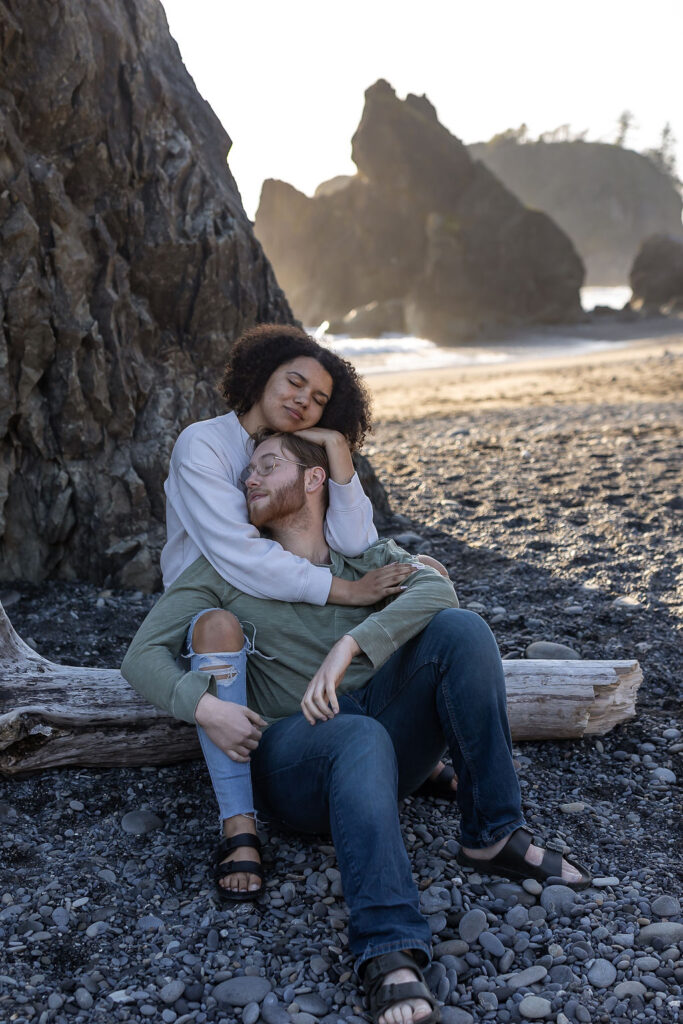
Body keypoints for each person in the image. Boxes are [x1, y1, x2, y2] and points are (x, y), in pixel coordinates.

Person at [123, 432, 591, 1024]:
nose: (250, 479)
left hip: (383, 742)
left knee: (462, 630)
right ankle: (388, 949)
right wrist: (205, 706)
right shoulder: (226, 571)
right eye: (248, 471)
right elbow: (141, 655)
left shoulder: (360, 558)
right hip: (297, 761)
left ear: (314, 480)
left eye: (269, 465)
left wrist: (351, 643)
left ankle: (493, 833)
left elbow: (437, 587)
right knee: (356, 733)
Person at [159, 322, 419, 899]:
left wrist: (336, 454)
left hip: (289, 596)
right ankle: (239, 823)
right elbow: (239, 558)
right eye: (294, 382)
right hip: (215, 600)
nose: (304, 399)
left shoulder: (293, 455)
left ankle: (406, 753)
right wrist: (344, 592)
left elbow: (352, 543)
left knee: (402, 610)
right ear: (260, 376)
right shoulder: (203, 444)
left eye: (320, 399)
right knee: (236, 624)